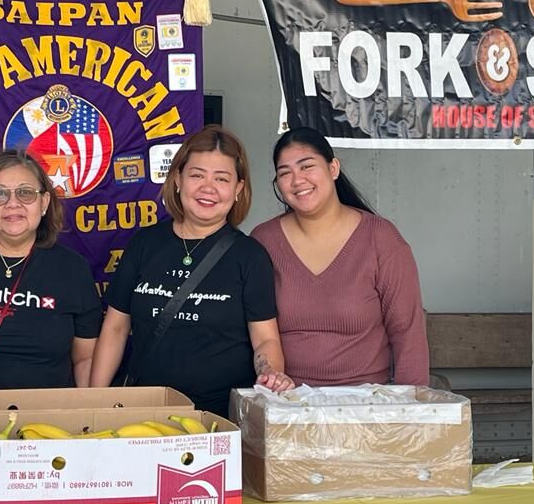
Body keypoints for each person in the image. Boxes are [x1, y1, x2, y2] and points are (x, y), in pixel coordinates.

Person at [90, 126, 293, 416]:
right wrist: (95, 403)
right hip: (144, 413)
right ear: (177, 179)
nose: (208, 188)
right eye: (197, 175)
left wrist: (270, 372)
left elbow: (265, 339)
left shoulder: (250, 256)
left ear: (238, 189)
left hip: (219, 418)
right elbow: (115, 328)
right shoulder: (144, 244)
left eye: (221, 179)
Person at [251, 127, 429, 387]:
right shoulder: (264, 240)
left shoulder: (381, 238)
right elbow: (257, 332)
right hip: (288, 400)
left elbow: (407, 331)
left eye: (306, 166)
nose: (297, 180)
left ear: (333, 168)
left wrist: (411, 405)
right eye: (285, 173)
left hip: (366, 401)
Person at [0, 149, 101, 393]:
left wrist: (85, 409)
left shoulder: (73, 269)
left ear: (44, 203)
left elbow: (85, 358)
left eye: (26, 193)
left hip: (48, 413)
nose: (13, 204)